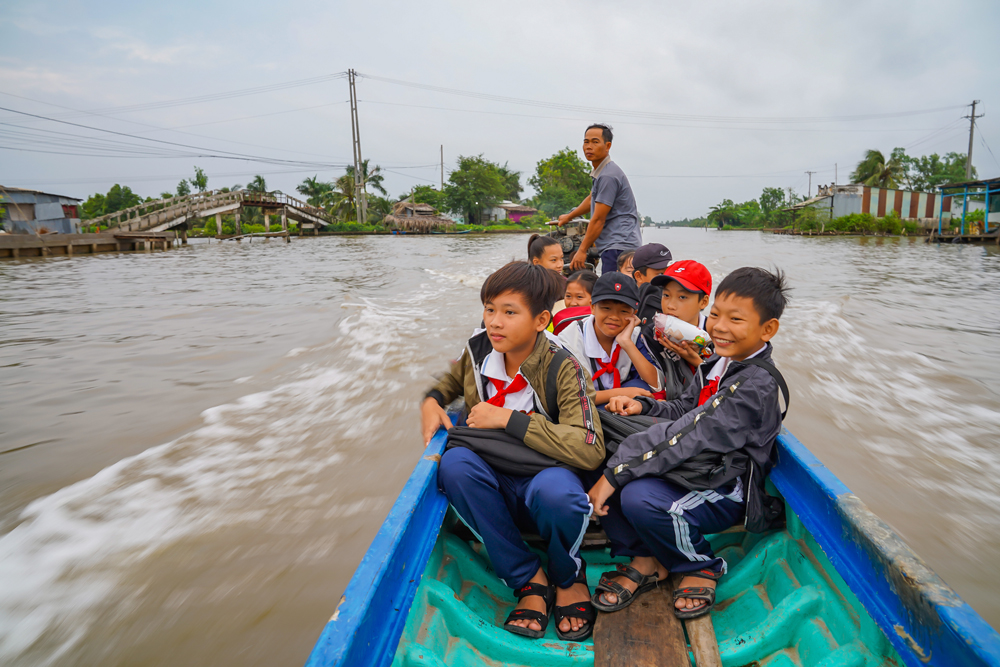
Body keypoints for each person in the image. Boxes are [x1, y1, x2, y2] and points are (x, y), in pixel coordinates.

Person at [586, 267, 789, 620]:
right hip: (697, 466)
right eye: (716, 316)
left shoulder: (754, 385)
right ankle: (646, 557)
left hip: (726, 485)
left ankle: (699, 564)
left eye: (736, 319)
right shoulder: (720, 362)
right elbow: (684, 408)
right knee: (600, 437)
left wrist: (615, 474)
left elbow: (692, 433)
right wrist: (645, 405)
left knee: (635, 491)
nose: (719, 327)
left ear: (767, 329)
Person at [421, 261, 604, 642]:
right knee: (454, 466)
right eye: (490, 310)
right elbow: (447, 384)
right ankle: (528, 578)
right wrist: (432, 400)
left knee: (559, 495)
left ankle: (568, 576)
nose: (495, 323)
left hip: (544, 474)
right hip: (493, 473)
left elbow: (589, 448)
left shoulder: (563, 365)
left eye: (509, 312)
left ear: (540, 320)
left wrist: (508, 419)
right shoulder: (477, 351)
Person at [558, 272, 663, 406]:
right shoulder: (569, 341)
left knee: (640, 385)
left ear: (634, 313)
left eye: (624, 311)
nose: (614, 317)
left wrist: (627, 343)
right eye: (606, 308)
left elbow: (656, 385)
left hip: (621, 407)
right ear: (592, 307)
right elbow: (569, 398)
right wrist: (620, 393)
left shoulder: (634, 336)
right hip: (585, 411)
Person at [557, 124, 642, 274]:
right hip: (619, 243)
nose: (589, 147)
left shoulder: (608, 176)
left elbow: (598, 219)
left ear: (607, 145)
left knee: (611, 294)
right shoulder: (602, 171)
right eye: (586, 142)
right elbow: (592, 199)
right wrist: (569, 216)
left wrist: (582, 250)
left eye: (595, 142)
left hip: (619, 246)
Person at [646, 260, 713, 399]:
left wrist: (698, 363)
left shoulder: (716, 335)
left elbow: (726, 387)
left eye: (682, 297)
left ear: (703, 302)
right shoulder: (651, 334)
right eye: (666, 295)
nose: (670, 305)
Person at [629, 243, 673, 327]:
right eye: (660, 274)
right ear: (639, 276)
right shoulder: (627, 303)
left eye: (669, 272)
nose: (666, 279)